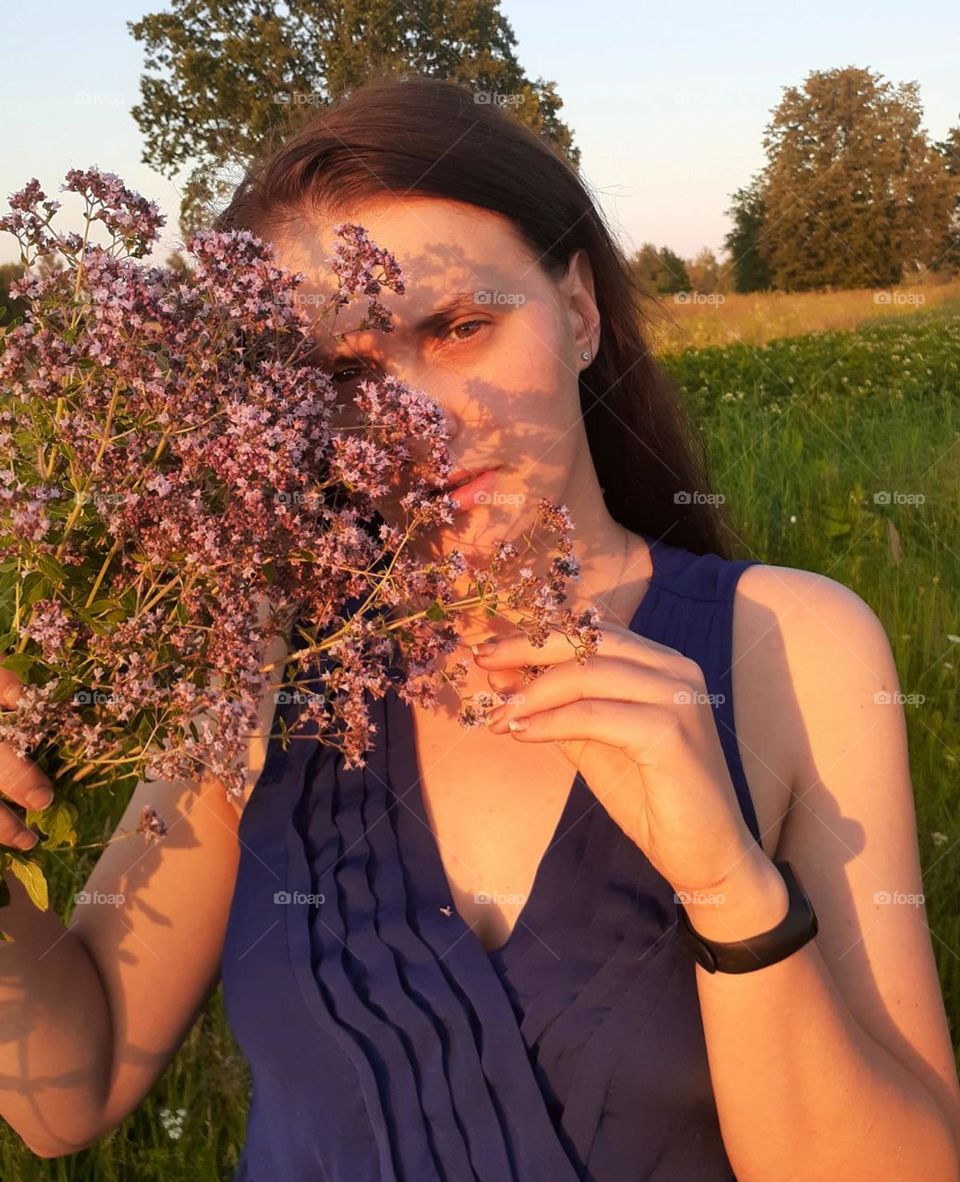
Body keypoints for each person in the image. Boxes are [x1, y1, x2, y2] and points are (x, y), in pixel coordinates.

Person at [1, 74, 958, 1181]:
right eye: (339, 378)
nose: (418, 419)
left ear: (584, 310)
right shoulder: (259, 663)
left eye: (460, 327)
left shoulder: (796, 649)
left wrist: (732, 894)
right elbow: (76, 1081)